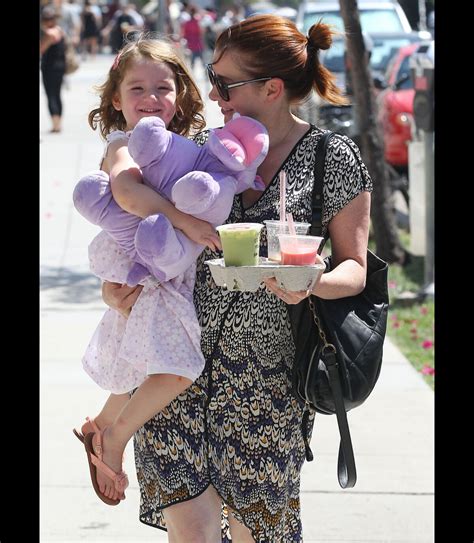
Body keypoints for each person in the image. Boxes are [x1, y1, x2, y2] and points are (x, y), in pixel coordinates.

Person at [102, 14, 372, 542]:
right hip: (176, 373)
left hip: (267, 389)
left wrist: (312, 281)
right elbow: (141, 233)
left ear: (271, 88)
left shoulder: (330, 159)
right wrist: (116, 290)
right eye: (211, 77)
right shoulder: (199, 148)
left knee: (258, 537)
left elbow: (355, 271)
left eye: (225, 83)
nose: (212, 93)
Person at [74, 34, 268, 507]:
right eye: (136, 89)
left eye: (162, 87)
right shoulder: (123, 144)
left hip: (165, 273)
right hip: (151, 272)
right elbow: (126, 194)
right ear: (116, 100)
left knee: (137, 360)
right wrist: (188, 221)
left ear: (179, 93)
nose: (150, 98)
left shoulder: (187, 147)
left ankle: (99, 426)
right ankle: (116, 438)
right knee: (177, 368)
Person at [40, 6, 66, 133]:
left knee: (51, 95)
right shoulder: (59, 30)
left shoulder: (49, 33)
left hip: (50, 67)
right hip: (60, 66)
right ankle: (58, 123)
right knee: (57, 94)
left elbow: (41, 49)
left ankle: (55, 125)